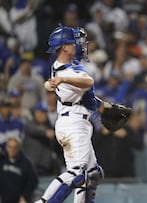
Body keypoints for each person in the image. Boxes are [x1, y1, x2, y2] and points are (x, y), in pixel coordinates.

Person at [34, 24, 104, 203]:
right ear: (64, 46)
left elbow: (88, 98)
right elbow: (88, 81)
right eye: (74, 42)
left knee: (93, 174)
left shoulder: (65, 68)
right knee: (77, 173)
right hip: (72, 124)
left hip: (78, 121)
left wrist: (106, 107)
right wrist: (62, 79)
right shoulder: (64, 72)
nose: (78, 45)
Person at [0, 137, 38, 203]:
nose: (12, 150)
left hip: (19, 200)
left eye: (15, 147)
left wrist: (24, 196)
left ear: (19, 148)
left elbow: (33, 180)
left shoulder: (26, 163)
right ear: (6, 147)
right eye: (10, 147)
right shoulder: (2, 160)